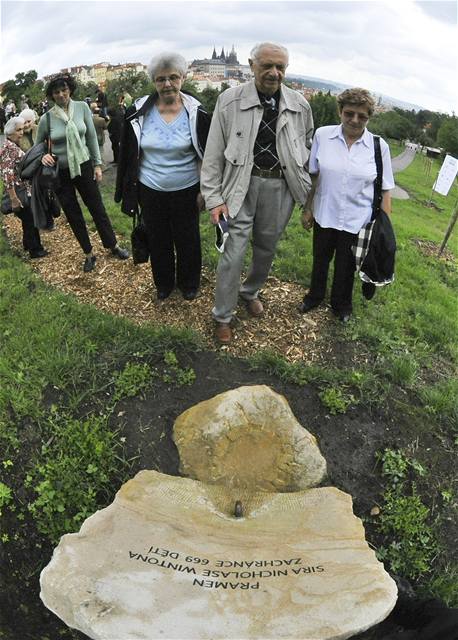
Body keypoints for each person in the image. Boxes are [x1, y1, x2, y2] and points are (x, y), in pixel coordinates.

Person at [200, 42, 314, 344]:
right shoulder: (229, 101)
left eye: (281, 67)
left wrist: (305, 189)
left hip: (279, 187)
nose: (274, 73)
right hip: (239, 185)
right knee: (232, 253)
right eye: (267, 66)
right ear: (252, 66)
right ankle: (223, 315)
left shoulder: (300, 105)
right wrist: (214, 198)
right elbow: (212, 157)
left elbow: (308, 144)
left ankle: (250, 291)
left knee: (266, 247)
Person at [115, 52, 210, 300]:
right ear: (154, 81)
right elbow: (129, 153)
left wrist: (204, 190)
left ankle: (189, 283)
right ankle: (164, 283)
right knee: (158, 239)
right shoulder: (138, 111)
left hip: (186, 188)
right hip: (151, 188)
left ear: (183, 78)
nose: (167, 84)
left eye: (173, 77)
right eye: (160, 79)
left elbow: (204, 153)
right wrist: (130, 189)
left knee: (188, 238)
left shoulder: (196, 111)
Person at [299, 88, 395, 322]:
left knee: (347, 266)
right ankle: (314, 296)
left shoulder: (378, 146)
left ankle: (341, 306)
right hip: (325, 213)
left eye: (362, 116)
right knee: (320, 260)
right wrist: (308, 208)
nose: (355, 120)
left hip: (357, 220)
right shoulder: (323, 136)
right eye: (349, 113)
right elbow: (315, 175)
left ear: (369, 117)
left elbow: (385, 189)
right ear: (340, 111)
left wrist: (383, 229)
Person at [35, 74, 129, 272]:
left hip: (84, 165)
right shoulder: (47, 118)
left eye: (64, 90)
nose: (61, 94)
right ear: (52, 96)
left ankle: (112, 245)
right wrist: (44, 156)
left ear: (70, 89)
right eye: (56, 92)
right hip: (61, 172)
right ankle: (88, 253)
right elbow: (38, 147)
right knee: (73, 213)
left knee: (97, 208)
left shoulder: (82, 108)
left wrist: (97, 164)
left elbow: (92, 137)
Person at [0, 116, 47, 258]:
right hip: (19, 192)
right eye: (18, 130)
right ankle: (36, 250)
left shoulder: (13, 145)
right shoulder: (9, 149)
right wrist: (14, 199)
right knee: (30, 219)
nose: (21, 132)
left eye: (22, 129)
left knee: (28, 220)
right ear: (9, 132)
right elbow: (7, 175)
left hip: (23, 189)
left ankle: (28, 244)